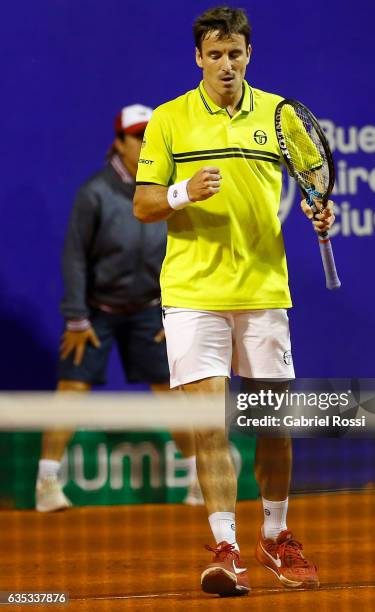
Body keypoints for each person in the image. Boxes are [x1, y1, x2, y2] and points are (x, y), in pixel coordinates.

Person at [134, 7, 335, 596]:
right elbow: (145, 205)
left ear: (249, 54)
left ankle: (276, 535)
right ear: (198, 57)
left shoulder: (278, 116)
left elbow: (314, 183)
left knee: (273, 424)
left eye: (235, 53)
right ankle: (225, 546)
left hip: (263, 291)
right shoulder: (169, 120)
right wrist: (182, 191)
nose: (226, 64)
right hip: (193, 294)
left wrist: (320, 209)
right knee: (210, 427)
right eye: (215, 54)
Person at [35, 104, 202, 513]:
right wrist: (76, 317)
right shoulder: (95, 192)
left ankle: (200, 481)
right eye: (137, 136)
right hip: (97, 311)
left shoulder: (167, 188)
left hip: (150, 307)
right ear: (119, 142)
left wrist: (173, 309)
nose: (145, 143)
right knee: (71, 390)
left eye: (150, 136)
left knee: (170, 391)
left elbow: (186, 249)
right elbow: (74, 257)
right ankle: (46, 485)